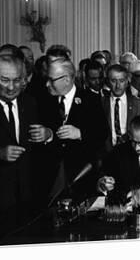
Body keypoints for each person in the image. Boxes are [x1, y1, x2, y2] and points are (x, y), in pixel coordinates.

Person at [37, 58, 108, 204]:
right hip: (53, 180)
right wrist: (48, 135)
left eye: (51, 80)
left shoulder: (90, 100)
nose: (47, 84)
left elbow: (102, 134)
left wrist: (80, 134)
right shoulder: (44, 101)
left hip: (83, 177)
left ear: (67, 79)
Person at [0, 54, 52, 237]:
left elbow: (43, 153)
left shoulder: (30, 102)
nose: (11, 87)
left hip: (28, 196)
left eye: (17, 80)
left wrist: (47, 134)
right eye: (4, 80)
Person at [101, 64, 140, 153]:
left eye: (121, 81)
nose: (118, 85)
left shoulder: (139, 104)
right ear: (108, 82)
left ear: (127, 81)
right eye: (113, 81)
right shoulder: (101, 103)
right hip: (107, 155)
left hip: (132, 154)